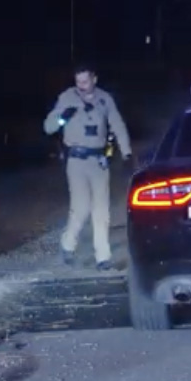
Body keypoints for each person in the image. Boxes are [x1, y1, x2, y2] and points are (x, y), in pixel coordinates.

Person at [43, 64, 134, 271]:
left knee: (101, 209)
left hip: (98, 160)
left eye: (85, 81)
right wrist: (62, 118)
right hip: (76, 160)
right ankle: (68, 243)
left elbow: (117, 124)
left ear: (94, 79)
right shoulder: (67, 97)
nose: (82, 86)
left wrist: (126, 152)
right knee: (81, 207)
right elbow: (48, 127)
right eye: (78, 82)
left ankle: (103, 256)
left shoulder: (105, 99)